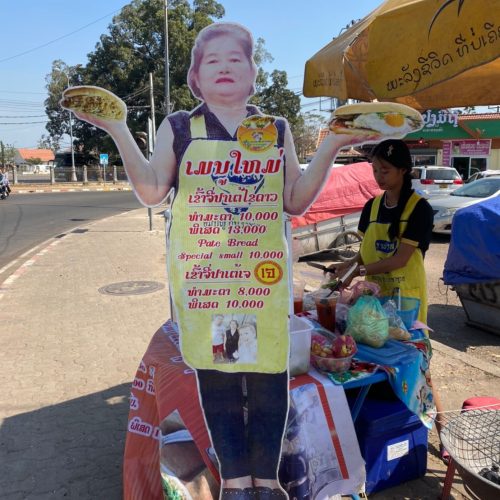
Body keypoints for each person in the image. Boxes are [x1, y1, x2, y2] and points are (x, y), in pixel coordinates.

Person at [68, 22, 371, 500]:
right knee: (223, 380)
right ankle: (235, 482)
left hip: (261, 282)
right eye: (213, 61)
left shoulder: (275, 130)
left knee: (268, 379)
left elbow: (294, 200)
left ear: (253, 73)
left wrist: (331, 145)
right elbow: (150, 190)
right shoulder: (179, 128)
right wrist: (118, 128)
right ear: (195, 77)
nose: (225, 67)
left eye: (236, 59)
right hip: (210, 285)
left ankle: (266, 481)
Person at [328, 139, 446, 456]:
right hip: (373, 302)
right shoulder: (373, 206)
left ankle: (442, 431)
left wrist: (359, 271)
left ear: (403, 171)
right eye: (375, 169)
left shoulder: (419, 209)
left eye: (386, 170)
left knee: (418, 364)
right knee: (370, 360)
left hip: (406, 301)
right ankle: (375, 428)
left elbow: (400, 259)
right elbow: (364, 253)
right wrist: (347, 265)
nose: (379, 176)